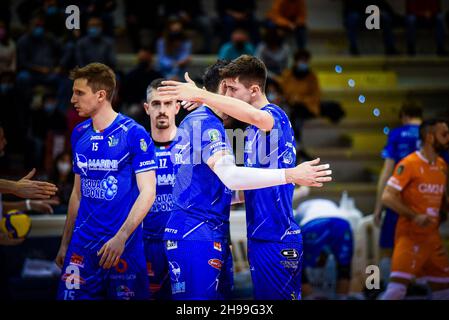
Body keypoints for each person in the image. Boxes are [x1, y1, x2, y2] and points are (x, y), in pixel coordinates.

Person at [158, 55, 332, 299]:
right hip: (249, 235)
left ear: (253, 90)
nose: (229, 96)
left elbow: (257, 120)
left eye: (233, 89)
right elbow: (241, 183)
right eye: (225, 89)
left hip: (276, 235)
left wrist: (202, 95)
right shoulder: (245, 132)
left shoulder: (273, 116)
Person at [55, 63, 157, 300]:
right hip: (82, 248)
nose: (72, 99)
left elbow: (148, 191)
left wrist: (121, 237)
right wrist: (65, 244)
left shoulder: (134, 133)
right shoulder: (79, 133)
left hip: (122, 247)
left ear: (101, 95)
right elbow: (77, 194)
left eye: (79, 93)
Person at [381, 119, 449, 300]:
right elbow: (387, 197)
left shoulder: (442, 165)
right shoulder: (409, 164)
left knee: (444, 293)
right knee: (396, 291)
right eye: (444, 134)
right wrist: (414, 215)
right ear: (429, 137)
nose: (447, 138)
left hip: (433, 240)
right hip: (410, 237)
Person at [373, 103, 422, 285]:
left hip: (398, 200)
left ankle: (379, 286)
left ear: (404, 116)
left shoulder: (397, 134)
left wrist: (378, 208)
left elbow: (387, 172)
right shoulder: (433, 134)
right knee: (423, 248)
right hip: (426, 200)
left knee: (387, 248)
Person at [142, 78, 180, 299]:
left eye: (168, 103)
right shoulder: (136, 151)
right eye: (156, 104)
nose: (162, 110)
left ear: (177, 107)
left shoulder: (193, 148)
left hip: (184, 243)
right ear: (147, 109)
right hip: (147, 245)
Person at [295, 199, 354, 300]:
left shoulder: (300, 210)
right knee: (344, 267)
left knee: (299, 264)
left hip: (313, 223)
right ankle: (342, 297)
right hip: (341, 222)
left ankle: (310, 296)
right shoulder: (331, 205)